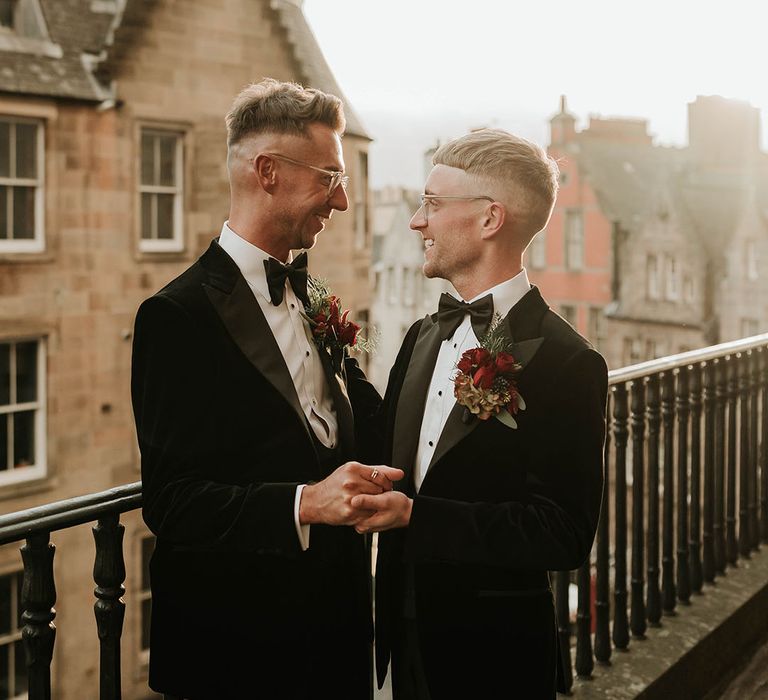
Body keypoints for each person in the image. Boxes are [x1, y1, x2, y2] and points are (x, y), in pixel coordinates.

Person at [131, 78, 401, 700]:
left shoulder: (311, 294)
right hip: (237, 653)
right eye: (330, 179)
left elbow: (369, 423)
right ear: (269, 172)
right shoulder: (175, 316)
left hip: (334, 638)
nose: (341, 202)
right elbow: (173, 502)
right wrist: (304, 502)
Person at [353, 129, 608, 699]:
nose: (418, 221)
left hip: (496, 662)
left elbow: (562, 533)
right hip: (399, 647)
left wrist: (419, 518)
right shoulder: (423, 335)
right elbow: (387, 447)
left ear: (490, 219)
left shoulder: (569, 363)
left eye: (433, 204)